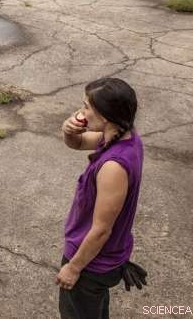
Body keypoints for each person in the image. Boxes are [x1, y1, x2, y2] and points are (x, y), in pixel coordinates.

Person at [57, 77, 147, 319]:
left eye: (86, 106)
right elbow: (77, 143)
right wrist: (68, 131)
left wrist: (73, 268)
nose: (81, 112)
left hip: (91, 264)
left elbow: (101, 231)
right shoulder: (123, 136)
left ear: (105, 116)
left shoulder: (113, 168)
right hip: (102, 259)